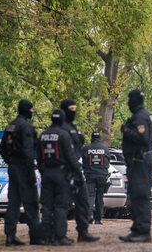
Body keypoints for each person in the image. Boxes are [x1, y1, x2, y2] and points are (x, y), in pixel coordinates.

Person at [0, 99, 43, 246]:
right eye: (32, 109)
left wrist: (10, 162)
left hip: (13, 166)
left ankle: (10, 236)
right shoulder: (26, 126)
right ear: (28, 110)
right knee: (31, 202)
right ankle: (35, 236)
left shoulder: (10, 125)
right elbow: (28, 150)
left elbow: (2, 148)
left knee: (14, 202)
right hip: (24, 167)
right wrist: (31, 169)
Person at [38, 109, 84, 246]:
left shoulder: (43, 135)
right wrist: (78, 173)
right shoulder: (64, 135)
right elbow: (70, 157)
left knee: (46, 206)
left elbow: (38, 156)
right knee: (61, 206)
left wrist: (43, 170)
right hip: (61, 174)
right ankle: (59, 236)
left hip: (47, 174)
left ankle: (46, 237)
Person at [119, 89, 152, 243]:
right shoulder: (146, 116)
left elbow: (142, 139)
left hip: (139, 161)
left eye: (129, 99)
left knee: (140, 196)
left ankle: (142, 231)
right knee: (136, 195)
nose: (128, 102)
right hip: (140, 160)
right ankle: (137, 230)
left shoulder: (140, 117)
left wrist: (126, 130)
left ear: (133, 101)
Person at [60, 99, 99, 242]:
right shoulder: (61, 128)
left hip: (77, 169)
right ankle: (60, 234)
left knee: (83, 202)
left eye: (75, 108)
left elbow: (80, 145)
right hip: (65, 171)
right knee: (63, 204)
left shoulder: (74, 127)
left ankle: (83, 232)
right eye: (71, 108)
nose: (74, 111)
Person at [82, 131, 111, 225]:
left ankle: (89, 215)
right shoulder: (105, 148)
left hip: (90, 175)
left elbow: (83, 160)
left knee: (90, 195)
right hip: (102, 176)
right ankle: (98, 219)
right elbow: (108, 160)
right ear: (99, 138)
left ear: (91, 138)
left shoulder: (86, 148)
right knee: (99, 197)